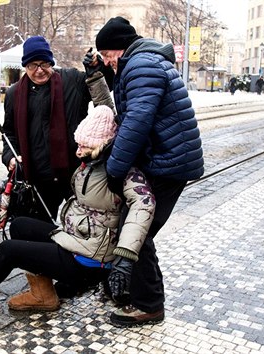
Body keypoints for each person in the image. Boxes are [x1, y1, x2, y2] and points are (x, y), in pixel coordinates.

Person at [0, 105, 155, 318]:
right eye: (78, 144)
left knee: (10, 250)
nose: (78, 151)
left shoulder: (121, 173)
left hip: (89, 259)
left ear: (102, 145)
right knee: (21, 224)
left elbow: (144, 204)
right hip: (74, 240)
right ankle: (43, 296)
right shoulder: (90, 164)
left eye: (84, 146)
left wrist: (124, 257)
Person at [94, 16, 204, 327]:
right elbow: (131, 104)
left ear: (119, 49)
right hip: (167, 158)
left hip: (168, 163)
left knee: (137, 231)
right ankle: (132, 290)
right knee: (137, 229)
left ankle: (150, 305)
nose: (106, 62)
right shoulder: (141, 62)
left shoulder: (140, 66)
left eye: (106, 56)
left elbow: (136, 121)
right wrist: (103, 72)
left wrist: (115, 169)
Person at [1, 36, 114, 222]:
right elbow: (9, 133)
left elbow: (103, 85)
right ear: (25, 67)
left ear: (51, 62)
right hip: (38, 179)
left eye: (44, 64)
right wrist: (9, 157)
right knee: (40, 232)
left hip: (75, 174)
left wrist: (98, 67)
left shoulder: (72, 80)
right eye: (32, 65)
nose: (39, 71)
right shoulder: (15, 94)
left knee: (83, 227)